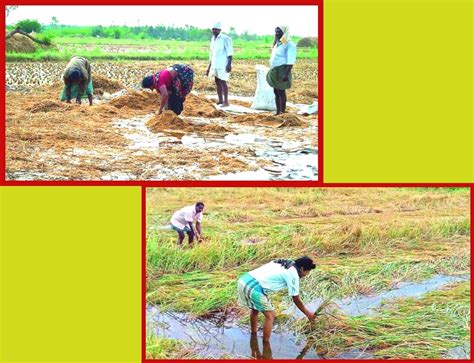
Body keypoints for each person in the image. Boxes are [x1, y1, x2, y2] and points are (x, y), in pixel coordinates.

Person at [237, 256, 316, 342]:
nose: (306, 275)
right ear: (302, 269)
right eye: (307, 272)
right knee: (270, 315)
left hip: (244, 280)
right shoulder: (293, 275)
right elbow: (296, 299)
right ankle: (266, 345)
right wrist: (308, 314)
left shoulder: (287, 262)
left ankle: (253, 335)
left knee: (255, 309)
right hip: (253, 287)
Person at [266, 26, 296, 115]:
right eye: (276, 32)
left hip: (283, 70)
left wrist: (286, 74)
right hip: (275, 70)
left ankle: (282, 112)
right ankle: (278, 111)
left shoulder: (289, 44)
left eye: (279, 32)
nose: (277, 34)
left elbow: (290, 61)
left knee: (281, 91)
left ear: (285, 32)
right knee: (276, 91)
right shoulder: (278, 43)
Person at [206, 22, 233, 107]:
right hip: (215, 64)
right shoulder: (213, 39)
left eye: (216, 29)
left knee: (223, 81)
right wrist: (209, 67)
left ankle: (226, 102)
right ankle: (220, 100)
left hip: (223, 64)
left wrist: (229, 64)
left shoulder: (225, 38)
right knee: (217, 81)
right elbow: (212, 54)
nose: (214, 31)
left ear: (220, 30)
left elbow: (230, 52)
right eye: (213, 29)